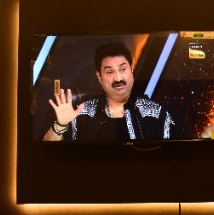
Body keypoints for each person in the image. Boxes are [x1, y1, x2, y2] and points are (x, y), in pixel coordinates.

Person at [43, 42, 174, 141]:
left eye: (122, 69)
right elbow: (48, 150)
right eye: (110, 72)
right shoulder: (82, 112)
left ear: (131, 69)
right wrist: (60, 125)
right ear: (99, 76)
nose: (118, 78)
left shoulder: (155, 112)